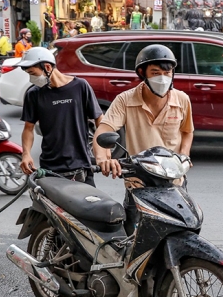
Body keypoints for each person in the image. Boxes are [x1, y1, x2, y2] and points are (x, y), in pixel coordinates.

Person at [93, 44, 194, 233]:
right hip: (138, 183)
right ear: (142, 73)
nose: (162, 78)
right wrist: (103, 159)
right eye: (155, 72)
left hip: (174, 182)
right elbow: (103, 130)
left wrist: (184, 156)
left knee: (182, 231)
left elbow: (187, 131)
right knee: (134, 238)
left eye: (167, 72)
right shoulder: (125, 100)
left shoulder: (182, 100)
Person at [18, 47, 103, 186]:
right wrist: (26, 154)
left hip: (81, 165)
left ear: (47, 67)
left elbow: (99, 119)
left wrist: (103, 152)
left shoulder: (80, 86)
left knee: (91, 205)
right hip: (49, 168)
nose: (31, 79)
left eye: (33, 73)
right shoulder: (33, 94)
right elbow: (28, 128)